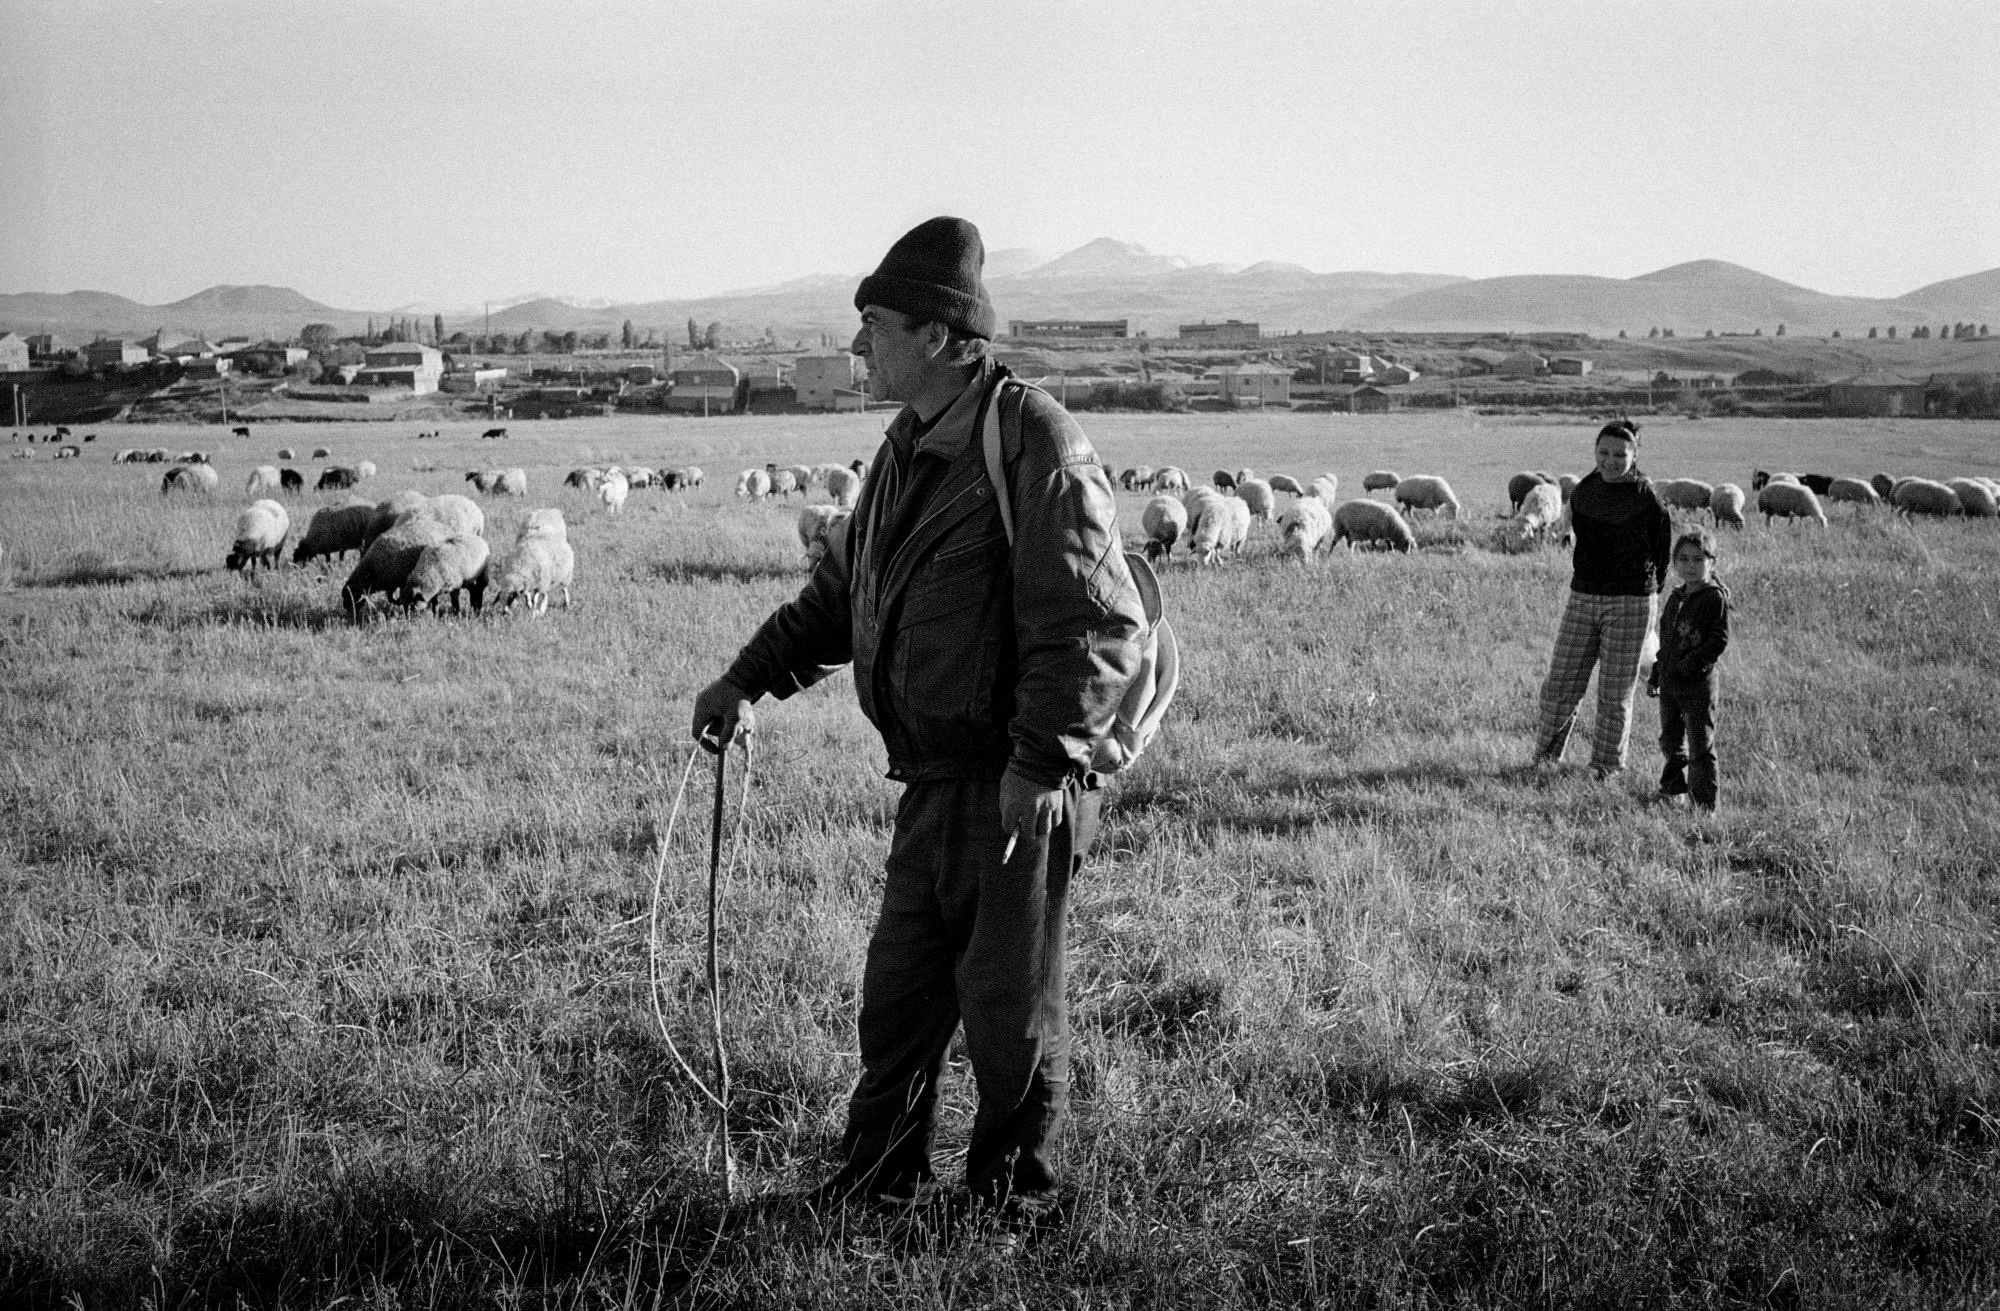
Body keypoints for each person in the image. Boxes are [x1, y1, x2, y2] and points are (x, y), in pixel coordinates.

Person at [689, 216, 1146, 1226]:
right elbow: (835, 599)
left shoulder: (1032, 439)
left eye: (874, 326)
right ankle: (876, 1179)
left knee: (1005, 1007)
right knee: (897, 999)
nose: (859, 348)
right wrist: (744, 681)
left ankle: (1009, 1198)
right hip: (933, 781)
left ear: (939, 335)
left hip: (1013, 783)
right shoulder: (901, 450)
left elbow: (1095, 623)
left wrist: (1039, 760)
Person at [1532, 418, 1673, 776]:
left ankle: (1606, 767)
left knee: (1614, 693)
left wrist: (1649, 596)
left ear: (1634, 455)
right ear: (1595, 452)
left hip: (1631, 601)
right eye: (1604, 452)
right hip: (1582, 596)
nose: (1610, 460)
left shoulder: (1646, 497)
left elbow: (1661, 552)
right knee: (1560, 682)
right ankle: (1546, 760)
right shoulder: (1584, 491)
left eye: (1619, 454)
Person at [1646, 527, 1731, 810]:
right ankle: (1672, 790)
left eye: (1698, 559)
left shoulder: (1713, 598)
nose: (1690, 566)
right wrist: (1658, 672)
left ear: (1712, 562)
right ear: (1674, 563)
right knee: (1670, 739)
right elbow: (1667, 639)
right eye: (1683, 559)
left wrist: (1689, 665)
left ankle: (1705, 806)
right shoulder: (1676, 596)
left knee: (1700, 746)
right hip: (1670, 682)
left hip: (1697, 685)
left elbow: (1718, 641)